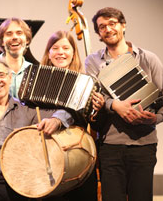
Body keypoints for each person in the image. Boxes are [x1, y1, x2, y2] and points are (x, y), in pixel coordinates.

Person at [0, 55, 74, 201]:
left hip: (21, 185)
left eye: (1, 75)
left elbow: (68, 112)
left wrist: (56, 120)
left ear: (10, 78)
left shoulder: (28, 111)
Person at [85, 7, 163, 201]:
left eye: (112, 23)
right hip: (110, 145)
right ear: (98, 33)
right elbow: (93, 98)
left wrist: (156, 118)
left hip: (143, 145)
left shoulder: (148, 58)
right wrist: (114, 105)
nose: (108, 29)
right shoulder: (92, 62)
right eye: (102, 26)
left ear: (123, 25)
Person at [40, 30, 105, 201]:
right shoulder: (39, 81)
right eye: (55, 48)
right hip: (48, 158)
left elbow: (89, 117)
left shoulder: (85, 82)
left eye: (65, 48)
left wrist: (98, 110)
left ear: (73, 53)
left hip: (78, 158)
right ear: (49, 53)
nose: (60, 52)